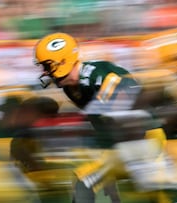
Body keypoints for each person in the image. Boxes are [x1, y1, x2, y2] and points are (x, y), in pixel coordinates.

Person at [33, 32, 162, 203]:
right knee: (116, 191)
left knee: (84, 181)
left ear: (63, 61)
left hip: (141, 138)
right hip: (126, 143)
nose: (45, 72)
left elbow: (127, 108)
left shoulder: (96, 75)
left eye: (47, 66)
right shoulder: (71, 87)